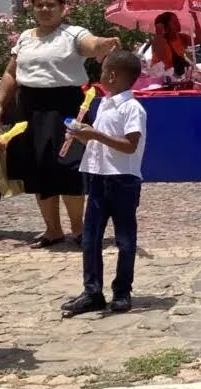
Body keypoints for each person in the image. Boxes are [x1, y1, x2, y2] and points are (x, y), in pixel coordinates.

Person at [0, 0, 121, 249]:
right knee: (39, 169)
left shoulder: (73, 33)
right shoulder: (25, 37)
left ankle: (79, 230)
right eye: (39, 5)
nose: (45, 9)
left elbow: (91, 45)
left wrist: (103, 44)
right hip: (29, 107)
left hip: (66, 107)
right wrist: (0, 102)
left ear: (63, 8)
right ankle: (52, 230)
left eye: (51, 4)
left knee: (69, 167)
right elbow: (11, 72)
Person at [61, 51, 147, 317]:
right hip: (98, 177)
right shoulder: (105, 105)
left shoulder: (132, 108)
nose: (100, 77)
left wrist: (95, 134)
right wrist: (82, 136)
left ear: (112, 75)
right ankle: (92, 291)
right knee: (90, 238)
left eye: (103, 72)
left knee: (125, 239)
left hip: (122, 180)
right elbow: (101, 142)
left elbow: (130, 145)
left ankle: (122, 291)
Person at [148, 11, 201, 77]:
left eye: (178, 21)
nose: (178, 24)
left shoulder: (181, 37)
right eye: (174, 22)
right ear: (166, 26)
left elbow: (199, 40)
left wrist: (195, 20)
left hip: (175, 77)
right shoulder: (160, 41)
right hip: (160, 77)